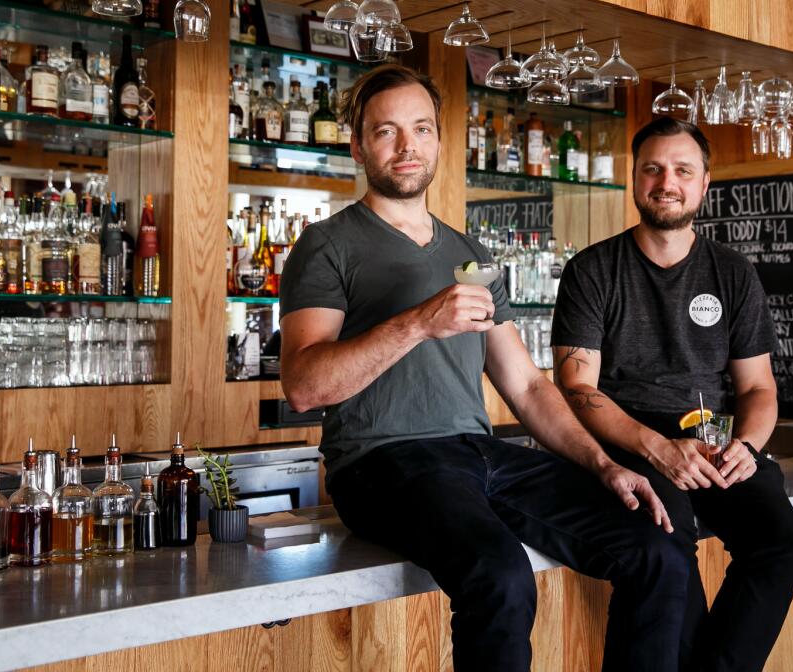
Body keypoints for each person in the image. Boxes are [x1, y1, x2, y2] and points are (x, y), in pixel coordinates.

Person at [278, 64, 692, 672]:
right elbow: (305, 386)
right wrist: (420, 322)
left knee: (659, 551)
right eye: (386, 131)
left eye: (421, 129)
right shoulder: (326, 244)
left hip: (478, 453)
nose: (406, 146)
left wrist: (602, 464)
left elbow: (524, 385)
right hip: (380, 463)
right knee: (501, 575)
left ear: (440, 141)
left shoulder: (469, 251)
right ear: (358, 145)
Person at [551, 117, 793, 672]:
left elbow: (759, 387)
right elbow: (576, 388)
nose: (666, 181)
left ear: (704, 183)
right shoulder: (592, 270)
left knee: (783, 545)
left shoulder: (733, 272)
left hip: (715, 440)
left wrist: (748, 444)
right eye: (653, 168)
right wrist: (655, 447)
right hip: (630, 439)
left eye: (682, 170)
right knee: (670, 560)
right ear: (635, 178)